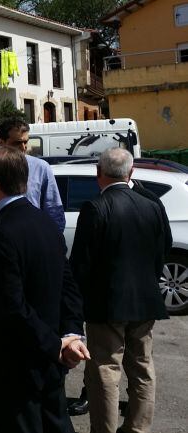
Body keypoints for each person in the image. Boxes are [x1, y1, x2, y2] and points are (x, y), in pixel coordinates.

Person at [0, 146, 89, 433]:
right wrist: (70, 336)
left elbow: (11, 307)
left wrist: (57, 346)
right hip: (47, 363)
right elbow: (69, 288)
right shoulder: (45, 222)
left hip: (17, 368)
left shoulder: (0, 233)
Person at [70, 148, 170, 433]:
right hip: (145, 302)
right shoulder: (151, 204)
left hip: (107, 305)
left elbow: (81, 264)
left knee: (105, 370)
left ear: (98, 174)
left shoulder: (95, 207)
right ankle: (138, 428)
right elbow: (162, 249)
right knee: (142, 368)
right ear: (131, 173)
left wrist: (77, 304)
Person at [0, 118, 66, 232]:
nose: (23, 147)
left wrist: (54, 242)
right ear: (0, 142)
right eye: (17, 143)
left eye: (25, 142)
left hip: (32, 241)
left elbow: (54, 211)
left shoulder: (41, 168)